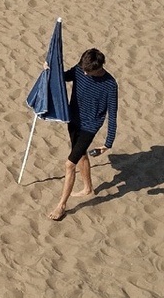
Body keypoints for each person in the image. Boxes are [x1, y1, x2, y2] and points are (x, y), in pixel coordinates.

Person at [49, 48, 118, 221]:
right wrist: (49, 69)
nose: (85, 73)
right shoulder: (81, 69)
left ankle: (61, 206)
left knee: (69, 164)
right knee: (80, 155)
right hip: (73, 119)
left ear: (99, 67)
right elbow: (63, 77)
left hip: (90, 126)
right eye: (83, 69)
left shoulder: (110, 84)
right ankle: (88, 188)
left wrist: (108, 143)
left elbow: (113, 116)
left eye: (89, 71)